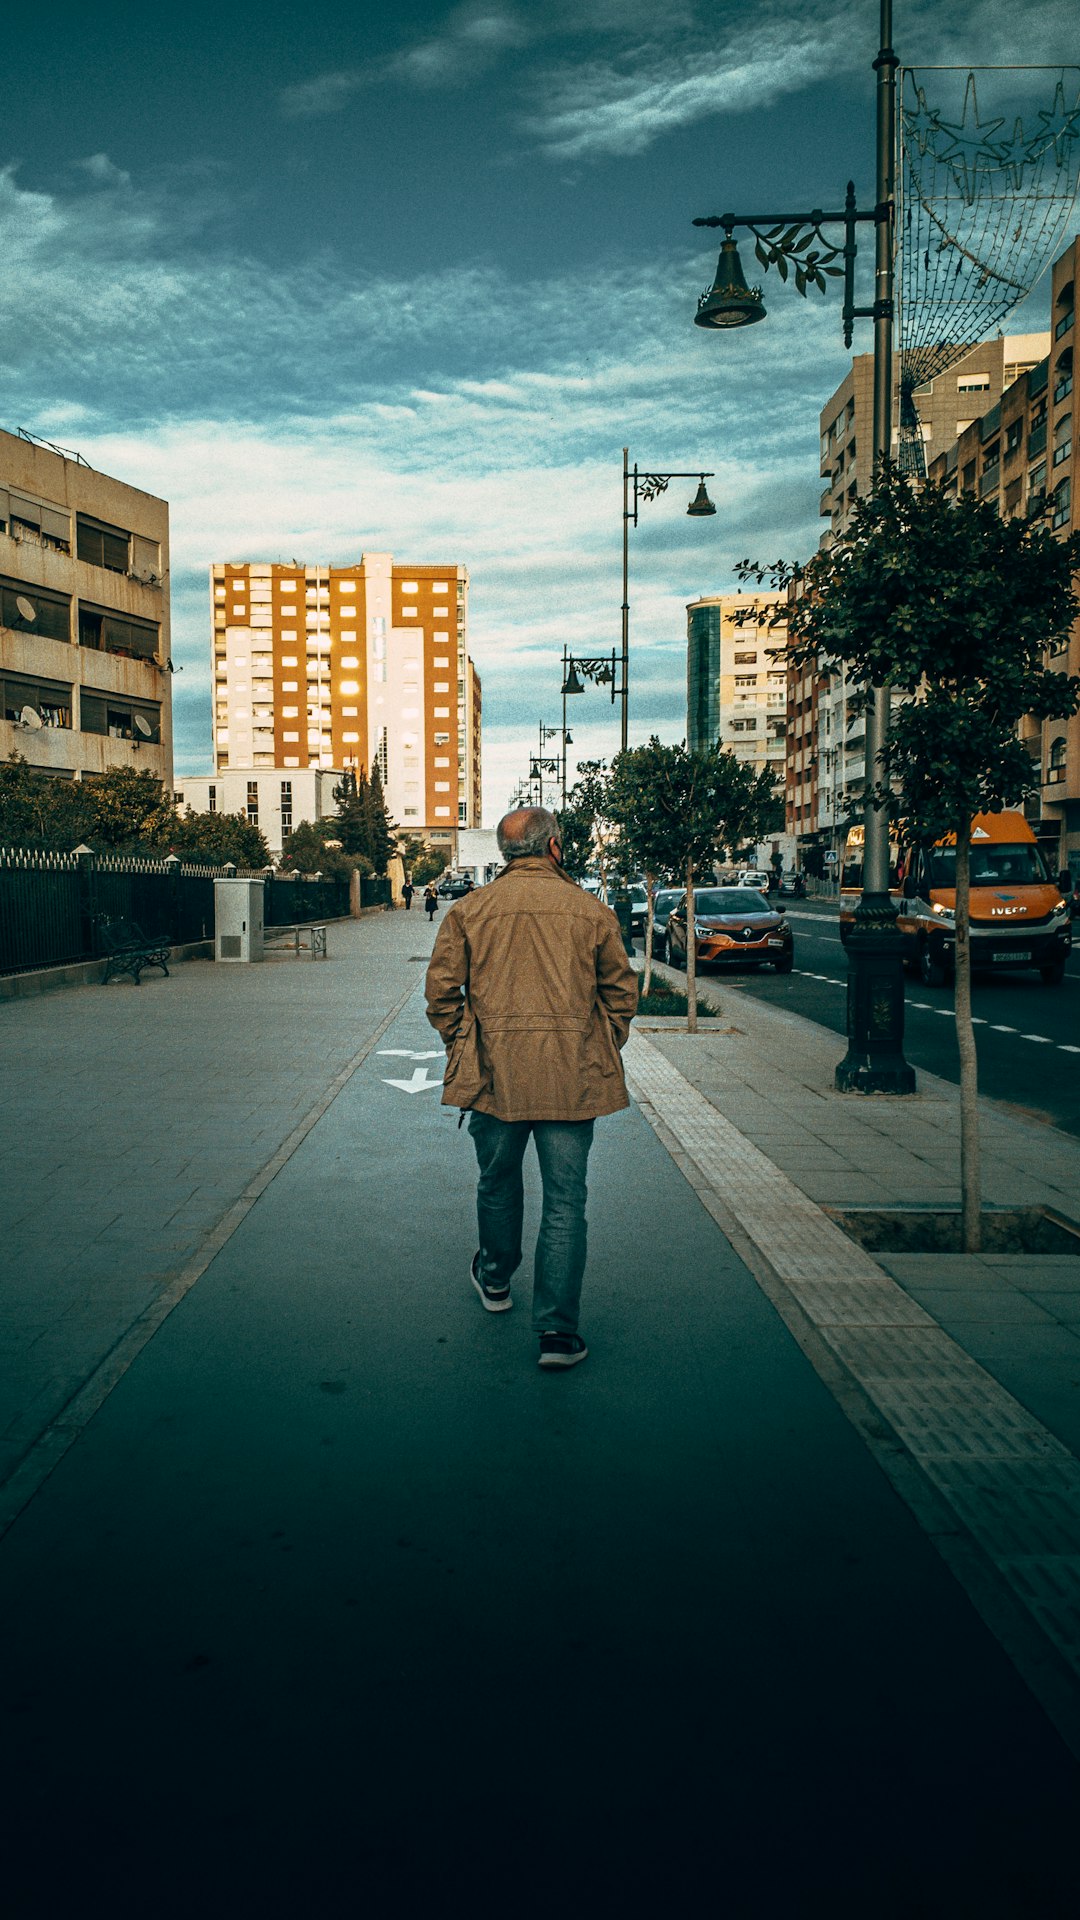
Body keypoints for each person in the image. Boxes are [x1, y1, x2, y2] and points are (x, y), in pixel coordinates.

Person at [425, 806, 637, 1371]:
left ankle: (495, 1279)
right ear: (555, 847)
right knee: (566, 1204)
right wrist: (598, 1043)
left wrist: (464, 1044)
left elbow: (442, 994)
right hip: (571, 1077)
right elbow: (622, 993)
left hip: (494, 1074)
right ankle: (558, 1335)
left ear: (504, 853)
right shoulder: (591, 912)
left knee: (497, 1182)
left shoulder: (470, 911)